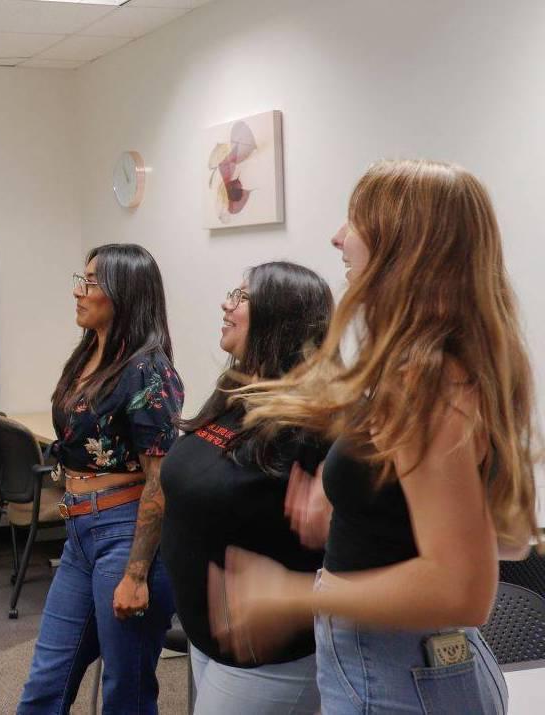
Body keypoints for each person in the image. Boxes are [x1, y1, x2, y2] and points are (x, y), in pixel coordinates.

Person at [214, 159, 538, 713]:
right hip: (422, 670)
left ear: (402, 245)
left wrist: (291, 596)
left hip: (398, 674)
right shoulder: (450, 365)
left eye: (354, 221)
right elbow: (508, 535)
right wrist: (360, 508)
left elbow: (465, 590)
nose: (337, 236)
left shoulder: (428, 380)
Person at [159, 261, 332, 714]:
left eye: (241, 297)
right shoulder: (236, 390)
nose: (225, 304)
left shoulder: (313, 420)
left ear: (279, 315)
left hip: (269, 657)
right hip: (208, 637)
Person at [18, 244, 184, 714]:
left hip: (125, 535)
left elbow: (159, 480)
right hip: (80, 534)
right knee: (46, 682)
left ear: (124, 293)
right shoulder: (89, 354)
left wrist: (136, 574)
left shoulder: (149, 371)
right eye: (82, 278)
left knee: (124, 692)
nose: (78, 291)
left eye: (91, 283)